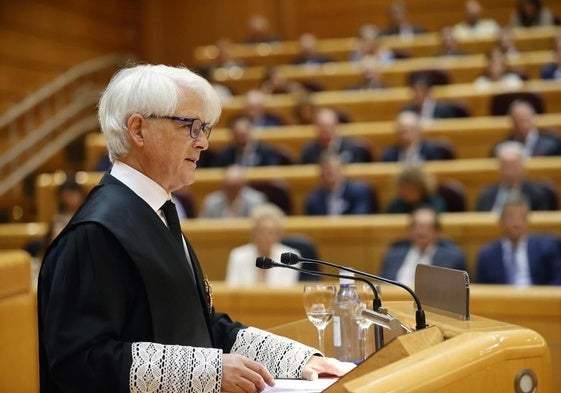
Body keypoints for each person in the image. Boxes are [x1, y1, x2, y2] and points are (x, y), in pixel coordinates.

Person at [37, 64, 353, 393]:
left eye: (205, 129)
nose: (202, 143)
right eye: (190, 126)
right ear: (138, 130)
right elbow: (79, 361)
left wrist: (297, 360)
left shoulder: (156, 212)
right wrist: (208, 371)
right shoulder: (95, 232)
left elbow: (202, 327)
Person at [476, 193, 561, 285]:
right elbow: (481, 288)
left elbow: (557, 280)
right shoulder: (487, 255)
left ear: (527, 221)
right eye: (510, 217)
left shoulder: (546, 249)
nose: (515, 223)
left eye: (520, 217)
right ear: (501, 221)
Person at [380, 206, 467, 286]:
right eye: (417, 226)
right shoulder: (393, 254)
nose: (421, 231)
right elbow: (383, 285)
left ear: (438, 232)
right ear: (409, 231)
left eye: (427, 227)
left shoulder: (453, 257)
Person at [225, 203, 301, 286]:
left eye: (271, 233)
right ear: (254, 233)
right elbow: (231, 290)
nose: (266, 237)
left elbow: (288, 292)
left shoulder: (289, 259)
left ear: (278, 235)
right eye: (261, 232)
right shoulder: (238, 256)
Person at [477, 141, 552, 212]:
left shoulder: (537, 195)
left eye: (513, 167)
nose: (509, 172)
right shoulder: (486, 196)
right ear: (499, 169)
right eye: (505, 167)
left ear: (523, 168)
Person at [304, 152, 376, 216]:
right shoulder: (314, 199)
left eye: (334, 169)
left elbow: (360, 218)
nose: (331, 173)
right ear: (321, 174)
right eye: (327, 171)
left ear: (342, 170)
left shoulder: (359, 192)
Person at [212, 114, 290, 167]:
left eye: (244, 134)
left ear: (251, 131)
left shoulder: (267, 152)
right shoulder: (225, 155)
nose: (241, 139)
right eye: (238, 134)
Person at [300, 108, 372, 164]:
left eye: (328, 127)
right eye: (322, 127)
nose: (326, 131)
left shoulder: (354, 148)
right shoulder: (309, 151)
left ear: (336, 126)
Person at [492, 99, 561, 157]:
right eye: (518, 120)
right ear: (512, 123)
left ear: (533, 118)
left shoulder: (552, 143)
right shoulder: (502, 146)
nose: (522, 124)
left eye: (525, 119)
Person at [381, 110, 455, 163]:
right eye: (401, 131)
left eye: (408, 131)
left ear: (418, 131)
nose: (404, 136)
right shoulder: (390, 154)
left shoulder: (433, 152)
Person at [200, 164, 268, 218]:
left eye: (235, 186)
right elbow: (203, 227)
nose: (232, 190)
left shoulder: (256, 200)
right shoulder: (211, 202)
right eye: (228, 186)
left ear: (243, 185)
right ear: (223, 185)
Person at [400, 75, 469, 122]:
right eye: (414, 91)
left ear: (429, 93)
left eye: (420, 91)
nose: (416, 95)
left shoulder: (445, 111)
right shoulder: (407, 110)